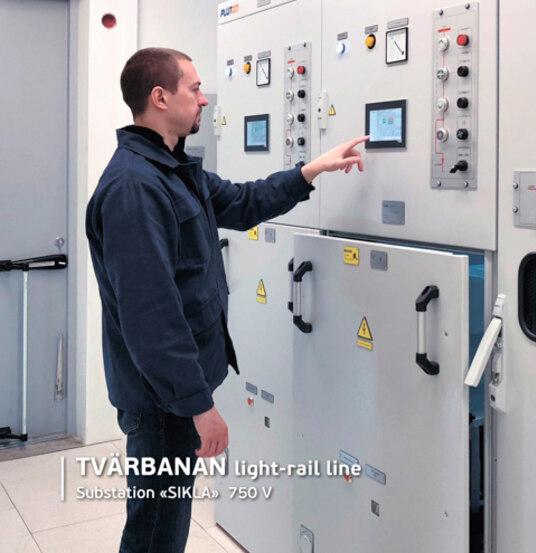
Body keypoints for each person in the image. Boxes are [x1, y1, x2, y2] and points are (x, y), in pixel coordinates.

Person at [85, 47, 368, 553]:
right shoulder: (135, 187)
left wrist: (311, 171)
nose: (204, 99)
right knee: (155, 534)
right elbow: (152, 317)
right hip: (163, 402)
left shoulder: (171, 170)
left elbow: (241, 202)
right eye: (194, 88)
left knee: (160, 528)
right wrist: (199, 407)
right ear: (160, 97)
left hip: (171, 394)